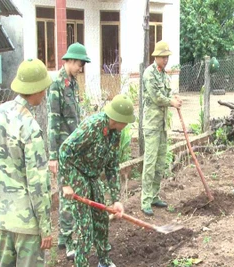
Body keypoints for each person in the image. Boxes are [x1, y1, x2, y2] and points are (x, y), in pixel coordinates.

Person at [59, 94, 135, 267]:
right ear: (117, 119)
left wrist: (116, 199)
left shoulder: (115, 133)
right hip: (76, 172)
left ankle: (104, 260)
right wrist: (66, 183)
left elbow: (112, 166)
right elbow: (64, 150)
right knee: (85, 227)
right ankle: (81, 263)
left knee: (101, 220)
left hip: (92, 175)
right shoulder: (91, 127)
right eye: (126, 121)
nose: (127, 124)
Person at [0, 59, 53, 266]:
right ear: (35, 89)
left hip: (4, 216)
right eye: (43, 89)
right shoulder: (30, 127)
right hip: (26, 221)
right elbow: (37, 183)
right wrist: (45, 227)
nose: (44, 93)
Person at [47, 42, 91, 258]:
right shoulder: (56, 84)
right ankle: (70, 241)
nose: (81, 68)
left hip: (74, 147)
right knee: (68, 193)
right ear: (70, 61)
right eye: (79, 64)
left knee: (71, 191)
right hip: (63, 149)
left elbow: (77, 116)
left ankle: (64, 238)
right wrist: (53, 156)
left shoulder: (72, 83)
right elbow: (53, 121)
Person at [140, 40, 182, 216]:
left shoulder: (165, 75)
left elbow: (167, 93)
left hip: (163, 124)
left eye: (167, 57)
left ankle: (155, 195)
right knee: (150, 162)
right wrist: (170, 101)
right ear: (156, 57)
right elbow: (157, 97)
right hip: (151, 125)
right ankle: (145, 201)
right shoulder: (149, 74)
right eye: (163, 57)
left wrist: (174, 97)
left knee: (160, 161)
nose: (165, 60)